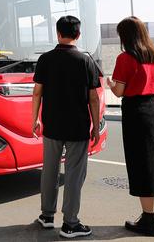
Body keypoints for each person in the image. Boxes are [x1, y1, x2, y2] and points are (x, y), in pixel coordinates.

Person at [106, 16, 154, 237]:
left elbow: (119, 92)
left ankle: (148, 220)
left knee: (142, 163)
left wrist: (110, 84)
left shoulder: (126, 58)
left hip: (137, 111)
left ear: (125, 36)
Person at [32, 15, 101, 239]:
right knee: (73, 174)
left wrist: (35, 119)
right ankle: (70, 224)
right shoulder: (86, 61)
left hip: (52, 125)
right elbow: (93, 98)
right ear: (78, 35)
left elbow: (37, 92)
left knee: (49, 171)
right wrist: (96, 127)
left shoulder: (45, 59)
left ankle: (47, 216)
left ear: (58, 33)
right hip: (78, 127)